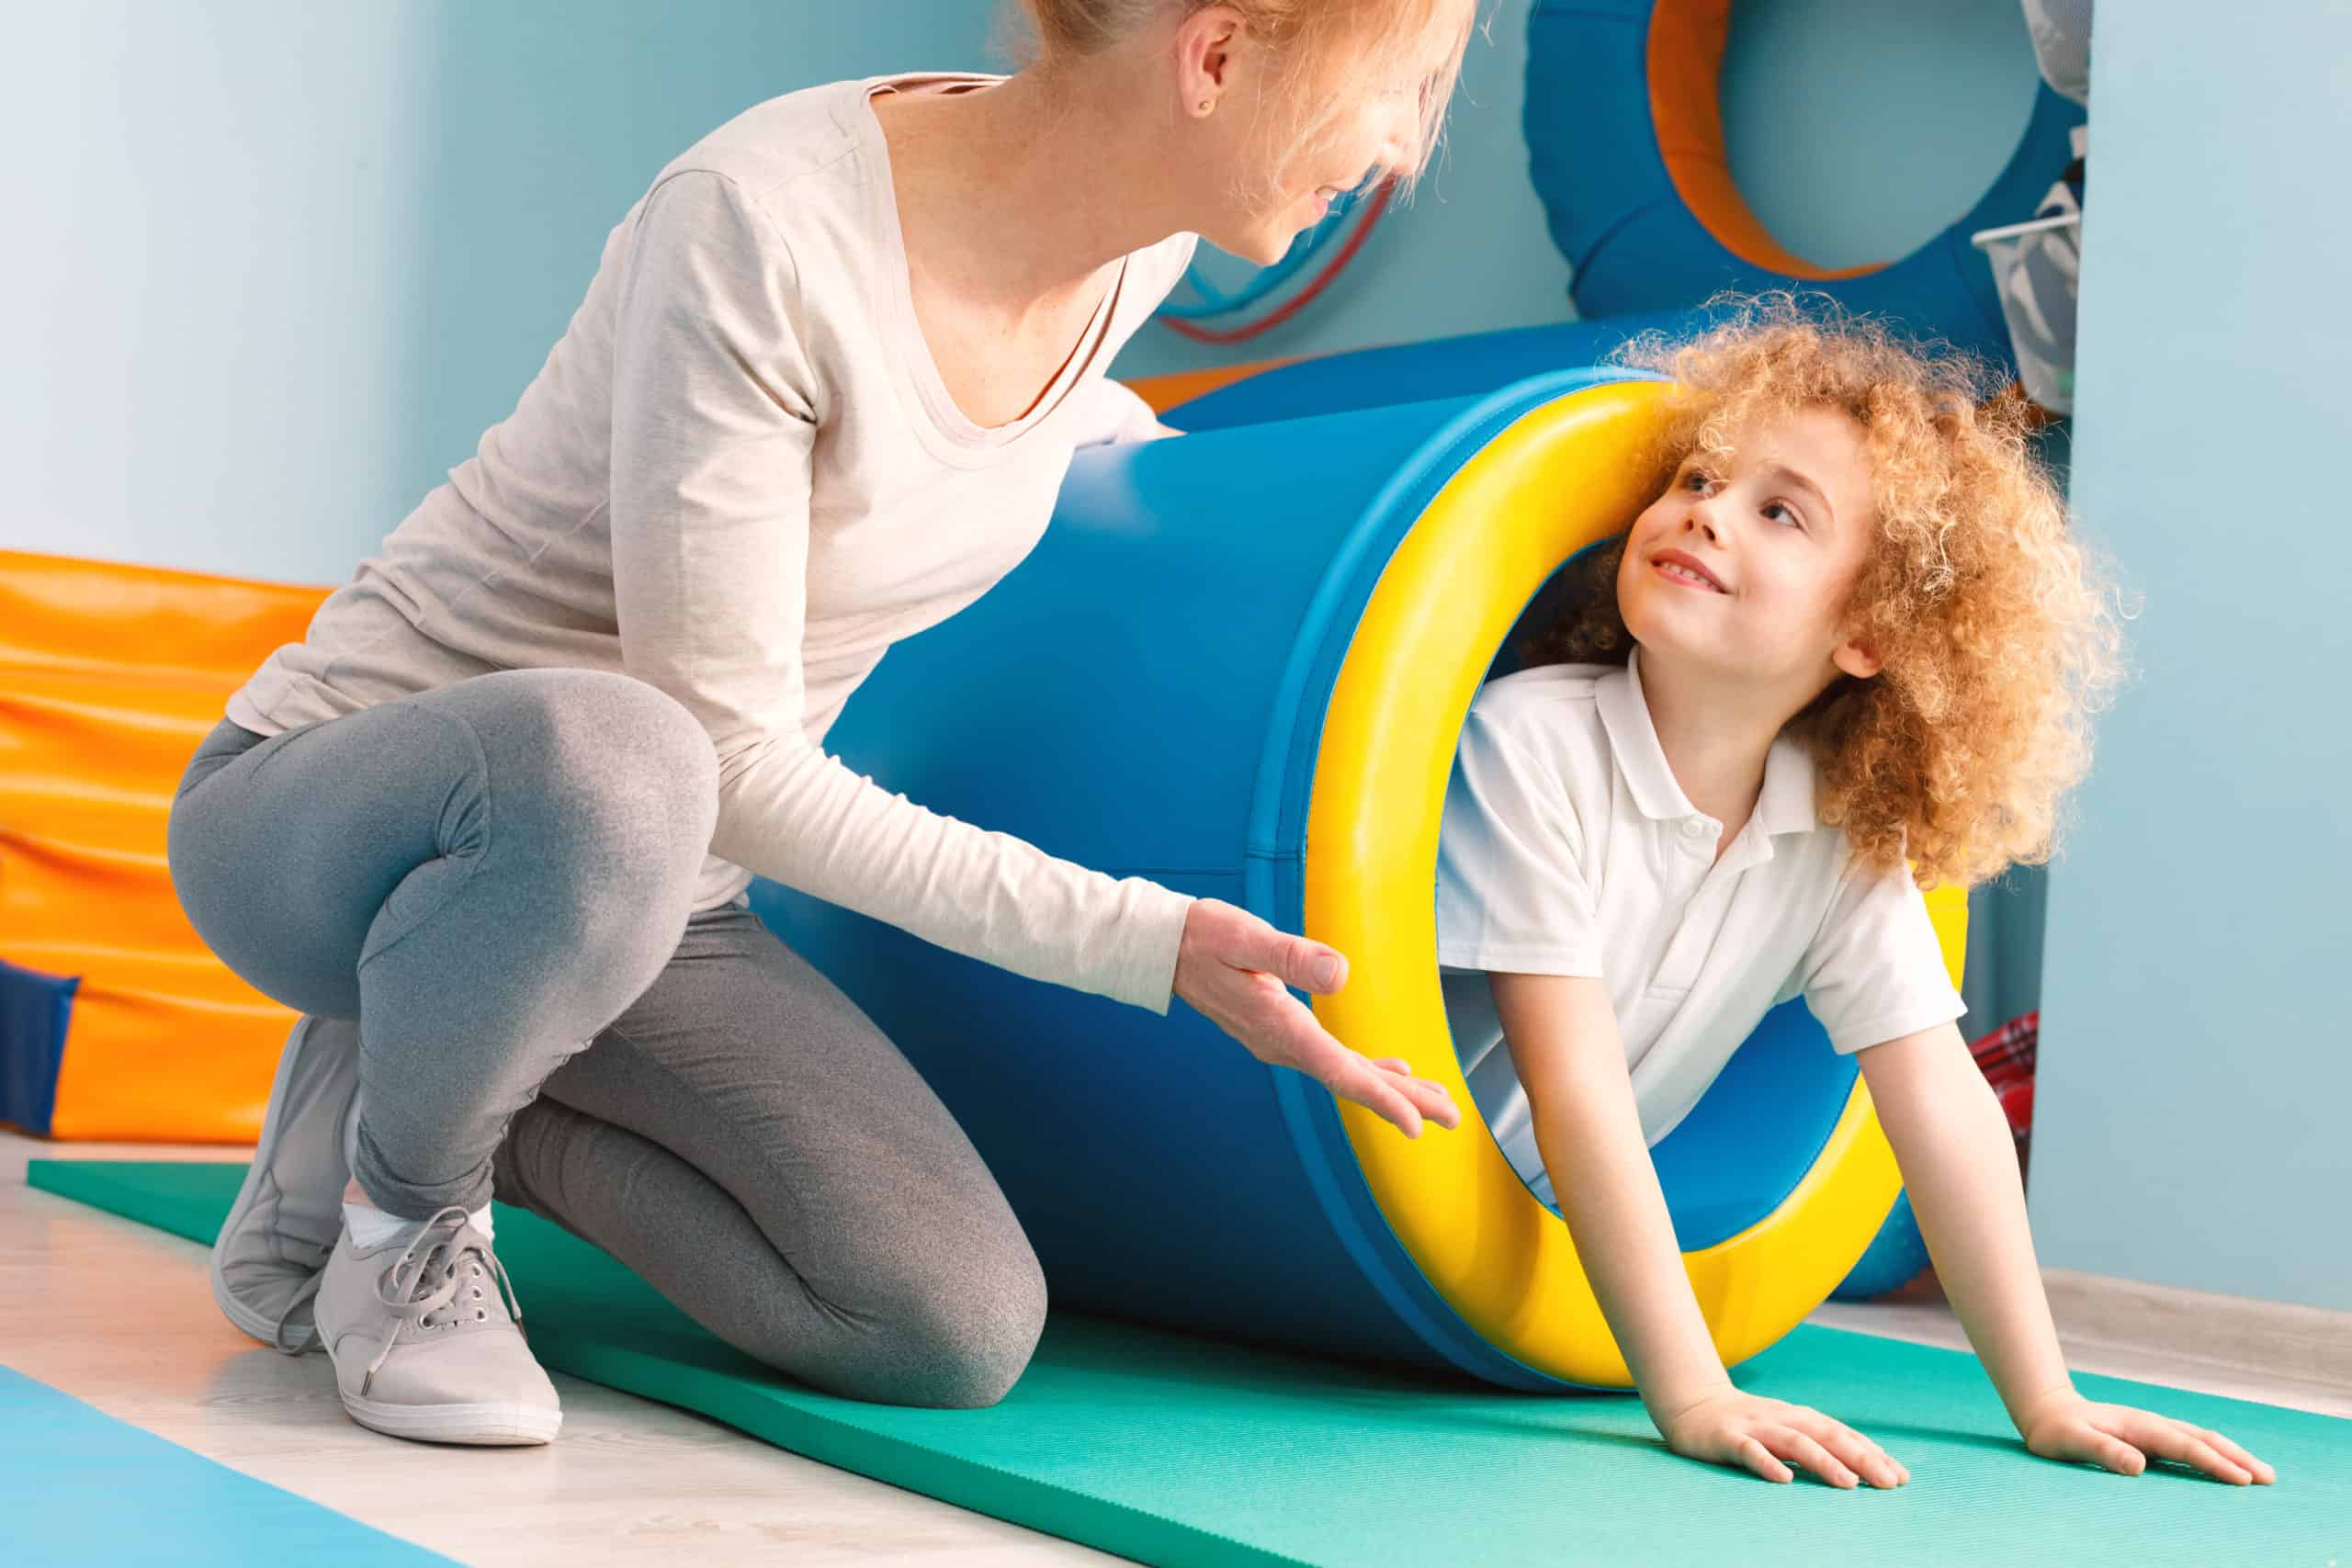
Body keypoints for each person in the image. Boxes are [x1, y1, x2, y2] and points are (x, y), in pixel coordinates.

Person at [168, 0, 1474, 1449]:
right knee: (628, 758)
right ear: (1215, 59)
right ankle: (399, 1218)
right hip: (351, 814)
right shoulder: (761, 225)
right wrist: (1139, 939)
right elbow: (720, 759)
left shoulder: (1135, 241)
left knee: (944, 1320)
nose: (1402, 148)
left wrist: (1117, 448)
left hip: (659, 886)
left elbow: (948, 422)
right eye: (1398, 87)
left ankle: (429, 1066)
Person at [1435, 297, 2276, 1489]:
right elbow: (1573, 1090)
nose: (1704, 514)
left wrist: (2045, 1397)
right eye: (1696, 478)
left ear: (1869, 635)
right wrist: (1692, 1393)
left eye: (1778, 512)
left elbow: (1940, 1101)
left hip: (1553, 1270)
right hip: (1417, 1226)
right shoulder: (1530, 743)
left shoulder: (1833, 830)